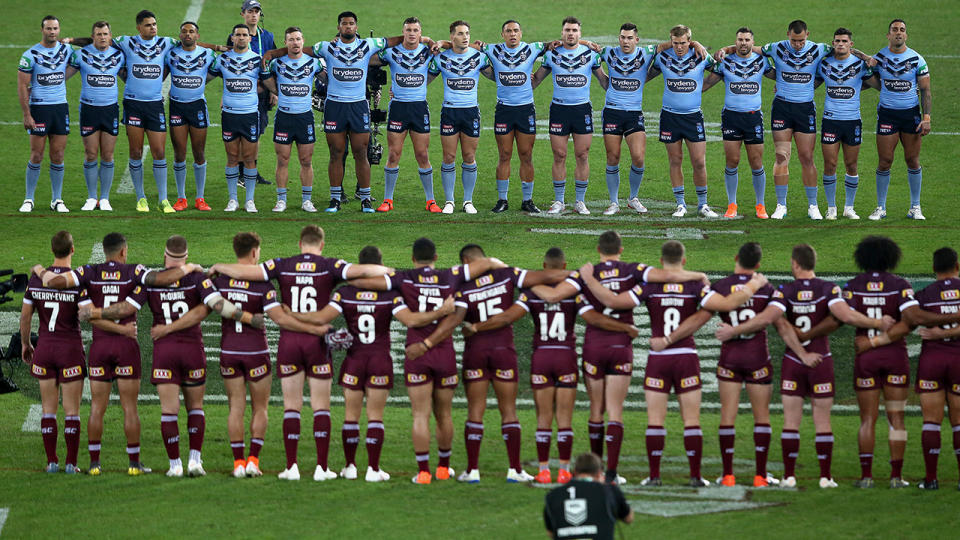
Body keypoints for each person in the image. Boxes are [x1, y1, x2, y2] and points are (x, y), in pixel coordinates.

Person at [206, 225, 392, 481]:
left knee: (291, 407)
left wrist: (219, 266)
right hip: (316, 343)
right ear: (322, 245)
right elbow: (362, 271)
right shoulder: (329, 265)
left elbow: (250, 271)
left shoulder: (282, 264)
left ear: (299, 244)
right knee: (321, 408)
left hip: (289, 343)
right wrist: (389, 272)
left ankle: (291, 467)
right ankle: (321, 468)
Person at [522, 231, 709, 484]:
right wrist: (698, 275)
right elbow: (668, 274)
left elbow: (554, 295)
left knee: (596, 411)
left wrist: (528, 282)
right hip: (621, 346)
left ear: (598, 248)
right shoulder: (634, 270)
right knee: (615, 411)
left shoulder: (586, 274)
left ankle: (595, 472)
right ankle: (611, 473)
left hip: (594, 347)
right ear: (621, 249)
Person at [716, 244, 895, 487]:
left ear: (796, 264)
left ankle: (788, 476)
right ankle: (825, 477)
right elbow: (845, 316)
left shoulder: (783, 291)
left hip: (792, 361)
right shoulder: (827, 288)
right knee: (822, 420)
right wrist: (876, 321)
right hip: (821, 359)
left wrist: (735, 331)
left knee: (790, 421)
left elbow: (771, 319)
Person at [82, 235, 260, 478]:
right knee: (196, 408)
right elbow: (219, 306)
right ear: (186, 257)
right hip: (192, 350)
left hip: (164, 351)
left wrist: (96, 312)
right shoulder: (197, 277)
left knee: (169, 411)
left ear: (165, 256)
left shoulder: (152, 281)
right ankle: (194, 461)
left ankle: (174, 464)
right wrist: (248, 318)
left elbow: (126, 309)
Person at [579, 241, 750, 486]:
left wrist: (591, 280)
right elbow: (719, 307)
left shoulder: (649, 286)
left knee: (655, 420)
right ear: (684, 261)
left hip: (658, 358)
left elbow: (615, 303)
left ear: (660, 262)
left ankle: (655, 476)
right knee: (691, 419)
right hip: (686, 356)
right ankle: (695, 476)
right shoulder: (695, 286)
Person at [463, 247, 639, 484]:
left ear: (544, 267)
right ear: (565, 266)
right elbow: (593, 319)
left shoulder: (530, 293)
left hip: (541, 358)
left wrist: (476, 328)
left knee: (543, 418)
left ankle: (544, 471)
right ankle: (565, 471)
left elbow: (507, 317)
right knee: (564, 418)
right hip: (565, 356)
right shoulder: (574, 294)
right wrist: (624, 328)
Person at [32, 232, 200, 476]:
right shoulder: (134, 272)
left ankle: (94, 464)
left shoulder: (89, 272)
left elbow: (56, 284)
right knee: (129, 408)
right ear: (124, 251)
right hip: (126, 346)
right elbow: (159, 280)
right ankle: (133, 464)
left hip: (100, 348)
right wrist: (189, 268)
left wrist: (39, 270)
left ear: (104, 250)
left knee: (97, 408)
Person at [287, 245, 455, 483]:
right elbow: (411, 320)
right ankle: (374, 470)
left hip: (354, 360)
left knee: (351, 416)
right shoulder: (391, 295)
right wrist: (441, 311)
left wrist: (291, 315)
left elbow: (320, 318)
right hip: (380, 360)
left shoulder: (345, 292)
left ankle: (350, 466)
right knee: (375, 417)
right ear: (380, 264)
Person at [346, 237, 505, 484]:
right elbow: (489, 263)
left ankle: (423, 472)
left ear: (413, 258)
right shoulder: (450, 275)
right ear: (436, 258)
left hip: (416, 353)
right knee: (445, 414)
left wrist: (385, 271)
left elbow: (361, 280)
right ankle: (443, 468)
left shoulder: (403, 277)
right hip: (444, 353)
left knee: (420, 415)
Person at [409, 244, 570, 483]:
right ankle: (514, 470)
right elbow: (540, 282)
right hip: (503, 351)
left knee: (475, 411)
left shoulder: (463, 285)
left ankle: (472, 470)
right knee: (509, 411)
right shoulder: (507, 275)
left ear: (467, 262)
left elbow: (455, 320)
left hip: (476, 353)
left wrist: (429, 342)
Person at [654, 243, 807, 487]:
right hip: (758, 356)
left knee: (728, 415)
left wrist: (670, 338)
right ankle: (760, 476)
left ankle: (728, 475)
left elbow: (697, 319)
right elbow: (781, 325)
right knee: (762, 417)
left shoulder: (721, 287)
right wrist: (802, 353)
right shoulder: (766, 288)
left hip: (730, 358)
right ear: (757, 265)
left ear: (736, 258)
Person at [264, 12, 426, 213]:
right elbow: (297, 50)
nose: (348, 27)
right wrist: (273, 54)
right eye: (344, 24)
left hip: (358, 106)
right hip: (335, 107)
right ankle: (335, 199)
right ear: (339, 27)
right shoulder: (326, 47)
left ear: (356, 27)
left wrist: (423, 39)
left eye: (351, 24)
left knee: (361, 153)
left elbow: (395, 40)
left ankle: (365, 200)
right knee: (336, 154)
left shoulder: (368, 45)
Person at [64, 11, 224, 212]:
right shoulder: (126, 42)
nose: (153, 28)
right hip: (132, 104)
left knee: (159, 152)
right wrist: (71, 40)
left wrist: (217, 48)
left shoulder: (166, 43)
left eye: (155, 24)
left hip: (155, 104)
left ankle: (164, 199)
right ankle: (141, 198)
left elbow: (190, 44)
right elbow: (99, 41)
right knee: (136, 151)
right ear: (139, 27)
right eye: (148, 25)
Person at [203, 232, 329, 478]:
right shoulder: (263, 284)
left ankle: (238, 463)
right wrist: (312, 328)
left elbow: (213, 306)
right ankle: (253, 460)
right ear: (254, 252)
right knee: (260, 409)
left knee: (235, 408)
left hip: (229, 351)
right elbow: (280, 318)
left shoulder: (221, 281)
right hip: (256, 353)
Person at [853, 246, 960, 489]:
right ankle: (898, 477)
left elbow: (910, 322)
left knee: (928, 421)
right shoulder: (903, 286)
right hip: (949, 360)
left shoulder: (924, 295)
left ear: (933, 269)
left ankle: (929, 480)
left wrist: (873, 340)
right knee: (953, 420)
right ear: (957, 266)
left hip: (930, 360)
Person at [20, 231, 89, 472]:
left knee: (48, 409)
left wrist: (26, 344)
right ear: (73, 249)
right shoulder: (76, 279)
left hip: (45, 349)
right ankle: (71, 463)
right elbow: (85, 314)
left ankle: (52, 462)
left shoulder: (37, 279)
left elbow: (26, 315)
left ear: (52, 251)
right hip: (69, 348)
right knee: (72, 411)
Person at [531, 17, 605, 216]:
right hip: (559, 110)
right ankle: (559, 201)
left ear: (580, 34)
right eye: (567, 30)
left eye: (574, 30)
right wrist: (516, 78)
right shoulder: (551, 55)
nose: (570, 33)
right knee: (559, 155)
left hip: (582, 111)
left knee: (582, 155)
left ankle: (580, 201)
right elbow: (536, 80)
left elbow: (604, 82)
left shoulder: (590, 55)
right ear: (562, 33)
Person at [652, 25, 720, 218]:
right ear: (670, 41)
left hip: (692, 116)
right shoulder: (662, 57)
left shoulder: (701, 56)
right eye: (675, 43)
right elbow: (646, 70)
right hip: (669, 116)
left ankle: (703, 204)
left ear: (690, 41)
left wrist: (704, 86)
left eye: (683, 43)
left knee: (699, 161)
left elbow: (721, 68)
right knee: (675, 160)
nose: (679, 47)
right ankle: (680, 204)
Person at [375, 17, 441, 214]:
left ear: (420, 33)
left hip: (419, 108)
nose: (412, 33)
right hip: (398, 109)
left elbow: (440, 60)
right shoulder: (391, 52)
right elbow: (371, 58)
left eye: (415, 30)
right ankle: (388, 199)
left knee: (422, 154)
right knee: (394, 154)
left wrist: (429, 41)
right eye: (408, 30)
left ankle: (431, 200)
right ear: (403, 32)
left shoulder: (428, 51)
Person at [482, 20, 547, 213]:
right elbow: (467, 47)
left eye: (516, 30)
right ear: (502, 34)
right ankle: (502, 200)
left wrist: (586, 44)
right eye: (508, 31)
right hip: (504, 110)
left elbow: (557, 45)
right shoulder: (492, 50)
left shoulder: (533, 48)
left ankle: (527, 200)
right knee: (504, 155)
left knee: (526, 155)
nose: (512, 34)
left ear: (521, 33)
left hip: (526, 109)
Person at [706, 27, 771, 219]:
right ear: (736, 42)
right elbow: (708, 83)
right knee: (732, 161)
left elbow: (779, 75)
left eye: (747, 40)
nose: (743, 43)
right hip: (731, 117)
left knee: (756, 162)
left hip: (753, 117)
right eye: (740, 40)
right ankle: (731, 204)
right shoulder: (725, 61)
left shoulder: (762, 61)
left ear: (753, 42)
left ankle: (761, 205)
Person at [869, 19, 931, 221]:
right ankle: (881, 207)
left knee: (912, 160)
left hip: (910, 115)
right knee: (885, 161)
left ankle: (915, 206)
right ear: (888, 35)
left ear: (906, 35)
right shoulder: (879, 57)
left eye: (902, 30)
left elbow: (925, 90)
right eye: (894, 30)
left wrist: (927, 117)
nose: (898, 33)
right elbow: (871, 80)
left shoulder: (917, 59)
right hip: (887, 114)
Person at [430, 20, 492, 214]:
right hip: (449, 112)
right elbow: (425, 80)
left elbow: (495, 76)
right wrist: (398, 89)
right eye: (460, 33)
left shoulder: (479, 58)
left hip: (471, 111)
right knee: (449, 157)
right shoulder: (441, 59)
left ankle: (468, 201)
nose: (465, 37)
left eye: (467, 33)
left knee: (469, 156)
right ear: (452, 37)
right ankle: (449, 201)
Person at [598, 23, 657, 215]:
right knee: (613, 157)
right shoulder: (608, 53)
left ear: (636, 40)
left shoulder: (646, 53)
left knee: (638, 157)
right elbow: (587, 52)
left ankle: (633, 198)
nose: (625, 41)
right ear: (619, 38)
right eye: (623, 37)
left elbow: (666, 46)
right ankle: (614, 202)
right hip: (612, 112)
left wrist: (696, 44)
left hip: (634, 113)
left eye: (630, 38)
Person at [18, 16, 76, 213]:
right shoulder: (30, 55)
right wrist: (27, 115)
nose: (52, 32)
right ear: (42, 30)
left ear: (60, 30)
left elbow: (80, 60)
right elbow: (22, 86)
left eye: (55, 29)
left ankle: (57, 199)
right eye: (49, 29)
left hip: (60, 108)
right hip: (39, 109)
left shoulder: (67, 50)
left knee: (58, 155)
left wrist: (72, 41)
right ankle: (28, 199)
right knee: (36, 155)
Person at [817, 28, 876, 220]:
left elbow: (876, 83)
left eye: (844, 41)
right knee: (830, 164)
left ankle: (849, 207)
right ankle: (831, 207)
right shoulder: (824, 63)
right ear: (833, 43)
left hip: (852, 121)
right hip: (830, 120)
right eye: (837, 41)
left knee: (851, 164)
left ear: (851, 44)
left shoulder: (860, 64)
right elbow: (812, 82)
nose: (840, 44)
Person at [211, 24, 270, 213]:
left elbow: (268, 82)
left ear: (249, 39)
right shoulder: (222, 60)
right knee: (232, 158)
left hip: (250, 115)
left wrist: (279, 93)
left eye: (245, 35)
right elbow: (204, 78)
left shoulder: (257, 60)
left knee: (250, 158)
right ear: (233, 38)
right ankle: (233, 199)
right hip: (229, 114)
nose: (242, 38)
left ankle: (250, 200)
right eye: (238, 35)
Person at [263, 26, 322, 213]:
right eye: (291, 40)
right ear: (285, 43)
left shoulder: (314, 63)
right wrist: (275, 91)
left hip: (304, 117)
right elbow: (264, 76)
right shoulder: (277, 63)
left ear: (303, 41)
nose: (295, 43)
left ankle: (307, 200)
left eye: (298, 39)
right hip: (284, 117)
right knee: (282, 160)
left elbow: (328, 80)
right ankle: (281, 200)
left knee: (306, 160)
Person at [70, 21, 124, 212]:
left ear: (110, 36)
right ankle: (92, 197)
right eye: (99, 34)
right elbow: (63, 75)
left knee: (108, 155)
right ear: (93, 36)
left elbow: (128, 77)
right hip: (89, 110)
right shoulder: (80, 55)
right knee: (91, 154)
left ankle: (105, 198)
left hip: (110, 110)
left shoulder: (119, 55)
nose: (102, 37)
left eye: (106, 34)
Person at [166, 21, 216, 212]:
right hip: (177, 106)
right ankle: (181, 198)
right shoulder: (170, 53)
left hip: (197, 106)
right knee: (179, 153)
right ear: (179, 35)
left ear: (198, 36)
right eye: (184, 31)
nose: (188, 34)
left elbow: (220, 68)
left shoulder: (208, 54)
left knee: (199, 153)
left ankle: (200, 198)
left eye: (192, 31)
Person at [227, 0, 276, 188]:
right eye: (250, 11)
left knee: (257, 133)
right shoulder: (236, 37)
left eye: (256, 11)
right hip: (242, 94)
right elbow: (229, 67)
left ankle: (251, 171)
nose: (253, 15)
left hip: (262, 94)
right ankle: (241, 173)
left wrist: (274, 91)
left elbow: (273, 64)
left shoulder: (268, 36)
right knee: (241, 134)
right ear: (243, 14)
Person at [543, 453, 634, 540]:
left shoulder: (552, 496)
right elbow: (628, 518)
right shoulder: (609, 490)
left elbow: (551, 533)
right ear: (599, 474)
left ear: (575, 472)